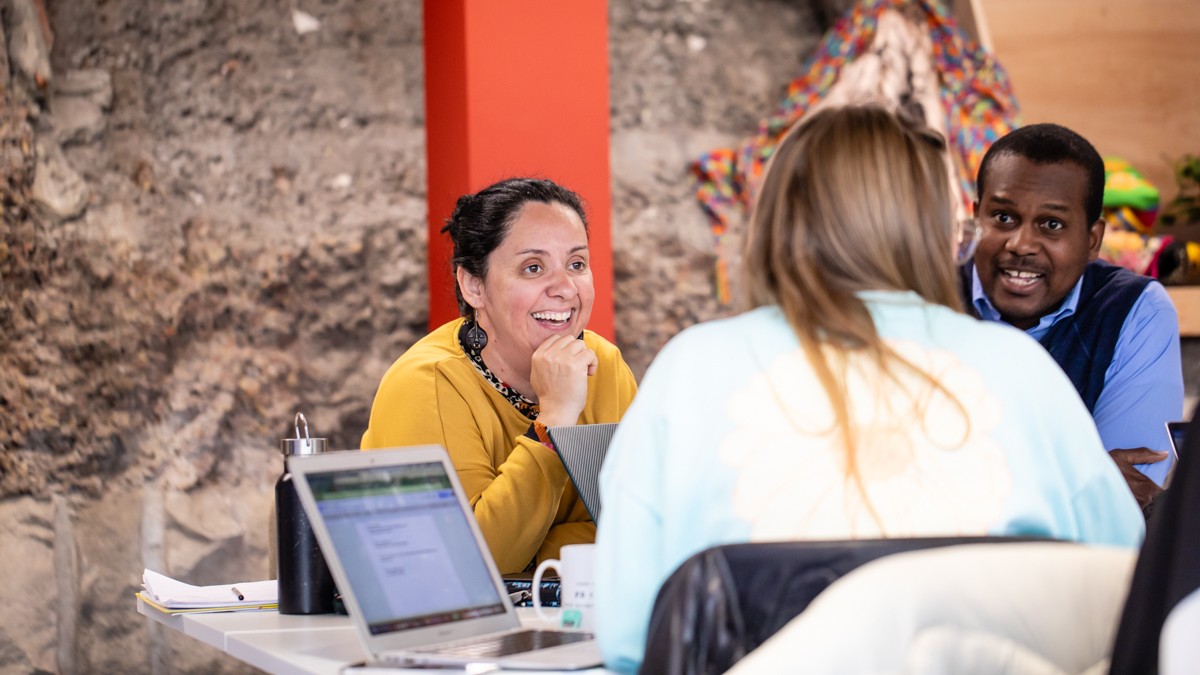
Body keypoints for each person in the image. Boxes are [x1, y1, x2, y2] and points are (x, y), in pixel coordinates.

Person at [592, 105, 1145, 673]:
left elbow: (627, 634)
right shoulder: (1023, 371)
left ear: (776, 217)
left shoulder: (692, 369)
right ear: (939, 230)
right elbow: (1124, 595)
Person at [360, 177, 637, 574]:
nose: (564, 288)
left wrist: (541, 550)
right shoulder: (427, 383)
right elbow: (468, 565)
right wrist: (554, 421)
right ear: (474, 286)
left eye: (576, 264)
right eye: (533, 268)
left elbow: (643, 531)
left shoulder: (603, 365)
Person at [962, 123, 1184, 508]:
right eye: (1002, 217)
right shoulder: (925, 294)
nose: (1021, 244)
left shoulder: (1135, 310)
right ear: (975, 217)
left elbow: (1122, 501)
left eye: (1052, 224)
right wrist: (1083, 474)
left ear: (1092, 240)